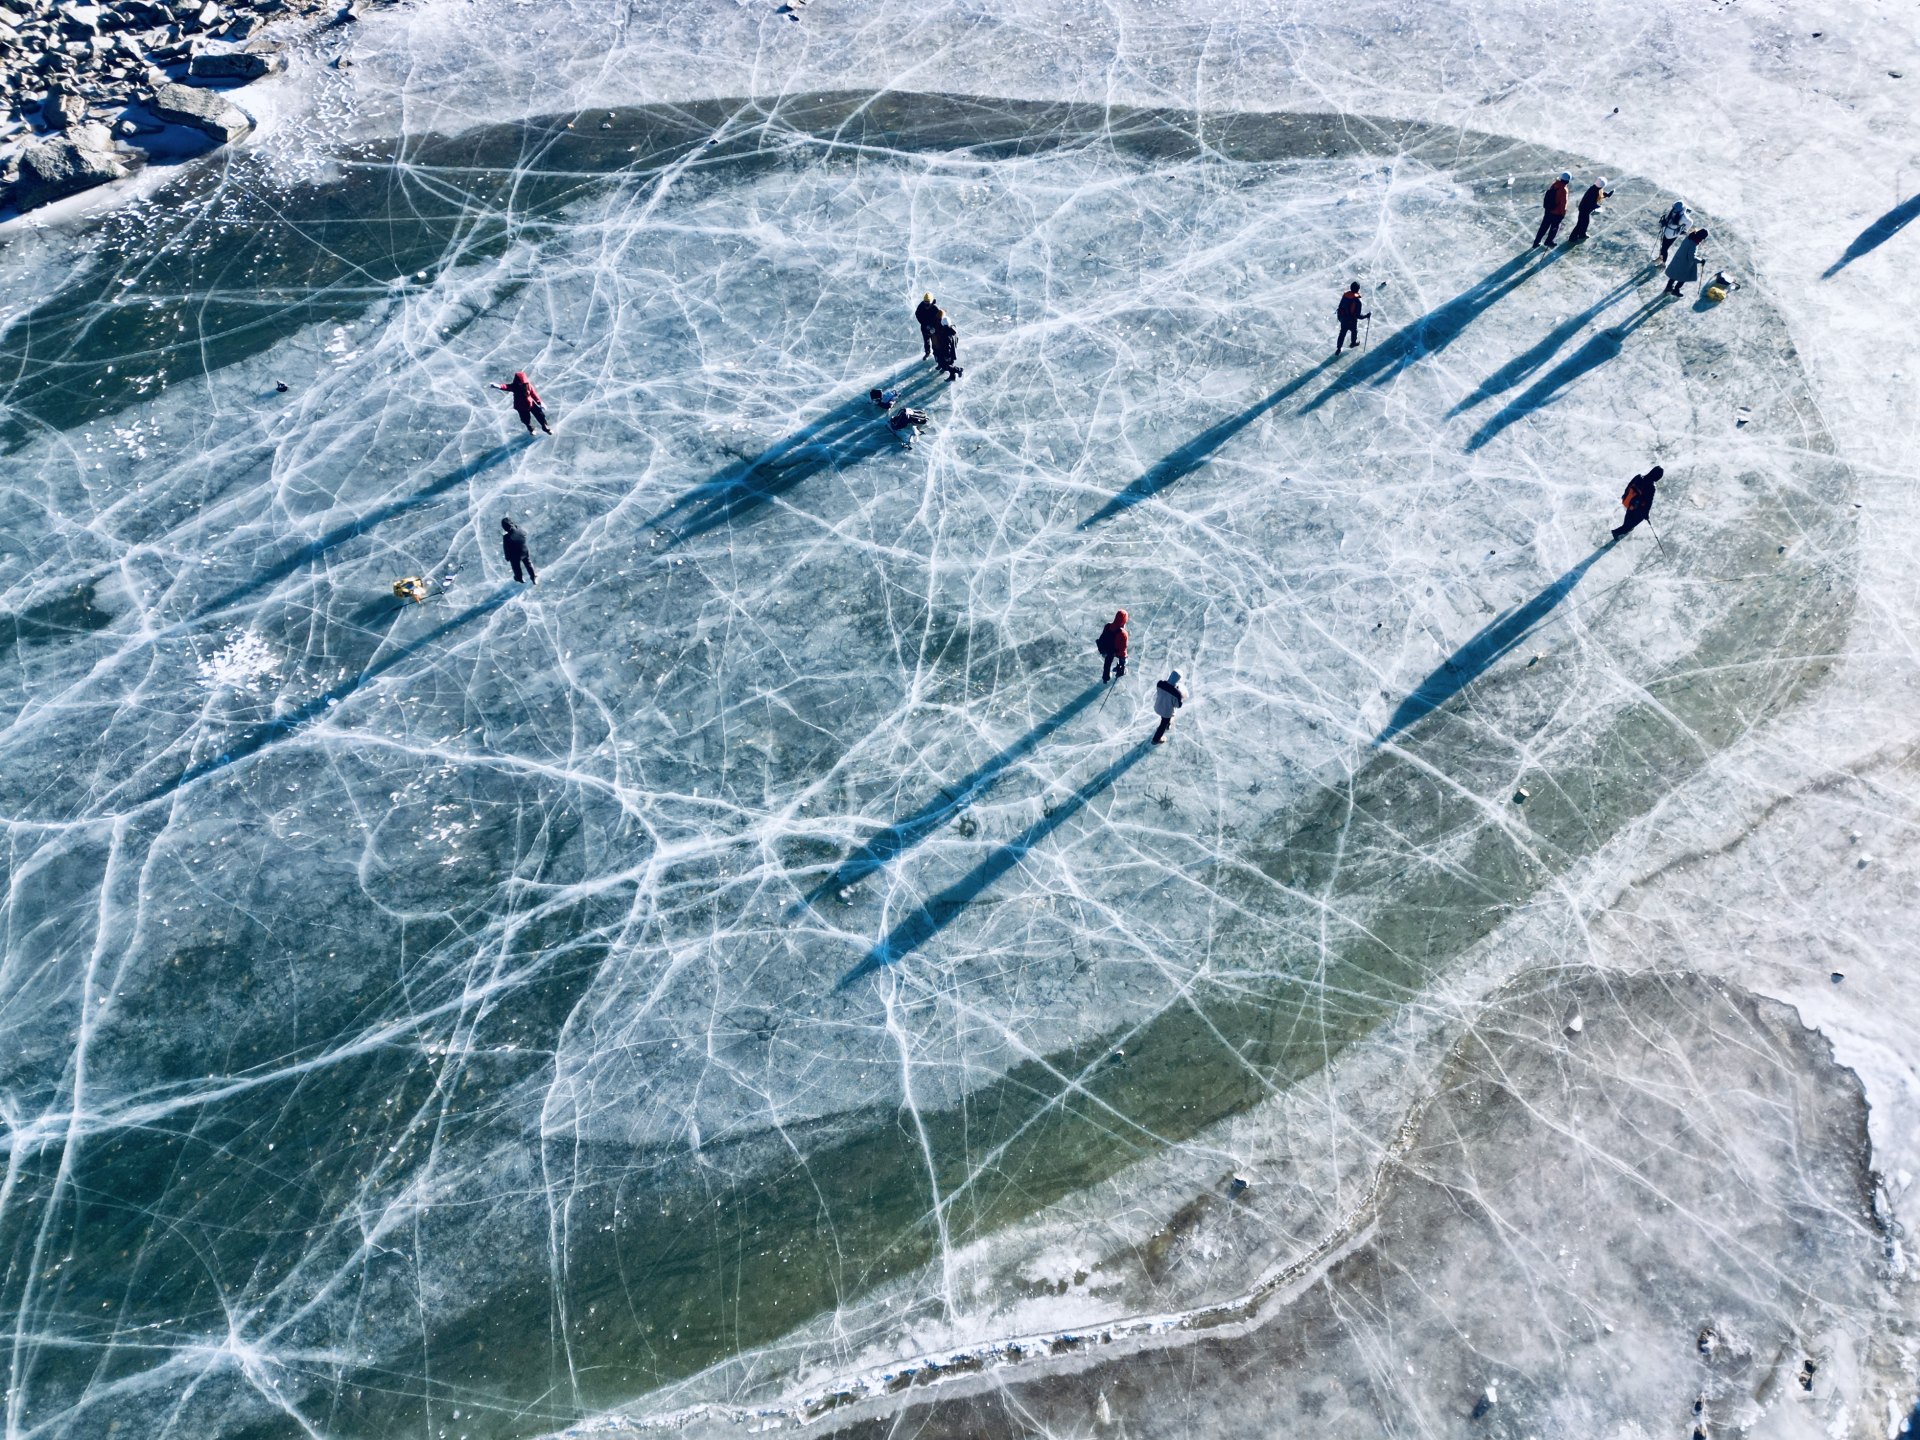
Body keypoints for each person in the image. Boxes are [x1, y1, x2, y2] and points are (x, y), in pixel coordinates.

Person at [492, 371, 552, 435]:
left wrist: (540, 402)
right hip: (521, 407)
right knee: (525, 419)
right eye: (520, 383)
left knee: (540, 414)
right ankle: (531, 428)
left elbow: (534, 394)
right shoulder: (515, 387)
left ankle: (545, 426)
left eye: (523, 383)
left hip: (531, 404)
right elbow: (506, 386)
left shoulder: (528, 386)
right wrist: (499, 386)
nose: (521, 384)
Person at [1611, 466, 1663, 539]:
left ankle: (1624, 529)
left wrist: (1625, 497)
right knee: (1628, 526)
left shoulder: (1638, 477)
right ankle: (1617, 532)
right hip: (1638, 509)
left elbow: (1628, 487)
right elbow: (1648, 502)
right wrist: (1646, 514)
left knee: (1628, 521)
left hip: (1630, 503)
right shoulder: (1651, 487)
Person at [1663, 228, 1708, 296]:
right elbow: (1691, 258)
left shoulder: (1689, 237)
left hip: (1678, 259)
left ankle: (1668, 287)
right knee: (1683, 277)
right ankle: (1676, 290)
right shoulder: (1693, 245)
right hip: (1684, 264)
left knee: (1674, 274)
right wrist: (1701, 260)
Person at [1567, 177, 1613, 243]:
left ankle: (1582, 235)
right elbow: (1591, 202)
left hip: (1585, 209)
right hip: (1584, 210)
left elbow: (1600, 194)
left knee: (1585, 223)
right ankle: (1572, 238)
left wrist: (1607, 195)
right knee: (1580, 224)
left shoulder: (1595, 188)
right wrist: (1597, 207)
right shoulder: (1594, 192)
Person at [1534, 172, 1572, 248]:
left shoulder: (1555, 184)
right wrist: (1563, 214)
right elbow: (1563, 204)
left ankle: (1536, 242)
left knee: (1543, 227)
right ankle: (1548, 241)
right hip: (1556, 213)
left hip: (1548, 210)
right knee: (1554, 228)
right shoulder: (1563, 190)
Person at [1151, 669, 1184, 745]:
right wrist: (1180, 695)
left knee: (1164, 718)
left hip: (1158, 706)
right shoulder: (1177, 694)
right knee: (1163, 725)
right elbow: (1178, 705)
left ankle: (1168, 723)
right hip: (1166, 712)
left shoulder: (1160, 684)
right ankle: (1156, 739)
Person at [1336, 282, 1369, 354]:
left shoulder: (1345, 296)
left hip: (1343, 318)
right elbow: (1358, 315)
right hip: (1351, 321)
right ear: (1358, 289)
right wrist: (1366, 316)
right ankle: (1353, 343)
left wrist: (1340, 317)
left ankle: (1338, 348)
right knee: (1354, 331)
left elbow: (1340, 306)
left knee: (1342, 333)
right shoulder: (1357, 302)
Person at [1097, 610, 1130, 683]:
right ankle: (1121, 670)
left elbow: (1103, 637)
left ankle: (1106, 677)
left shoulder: (1108, 626)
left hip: (1107, 650)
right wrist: (1123, 657)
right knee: (1124, 660)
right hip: (1116, 652)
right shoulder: (1123, 633)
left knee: (1107, 663)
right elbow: (1123, 648)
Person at [501, 516, 536, 583]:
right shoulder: (520, 530)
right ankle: (533, 577)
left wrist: (507, 557)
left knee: (516, 567)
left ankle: (519, 578)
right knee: (528, 564)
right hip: (524, 551)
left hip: (515, 555)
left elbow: (506, 548)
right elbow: (525, 534)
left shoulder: (506, 537)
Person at [931, 316, 963, 381]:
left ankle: (958, 370)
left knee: (945, 365)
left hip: (947, 353)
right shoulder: (952, 330)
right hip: (952, 351)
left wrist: (946, 355)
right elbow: (956, 340)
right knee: (950, 364)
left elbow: (947, 345)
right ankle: (952, 377)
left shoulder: (946, 333)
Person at [915, 293, 943, 357]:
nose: (926, 304)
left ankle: (936, 354)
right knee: (926, 341)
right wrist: (925, 324)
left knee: (935, 342)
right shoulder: (921, 307)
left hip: (933, 328)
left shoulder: (935, 308)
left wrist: (934, 327)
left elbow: (939, 319)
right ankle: (927, 353)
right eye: (925, 302)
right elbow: (917, 315)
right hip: (925, 328)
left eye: (928, 303)